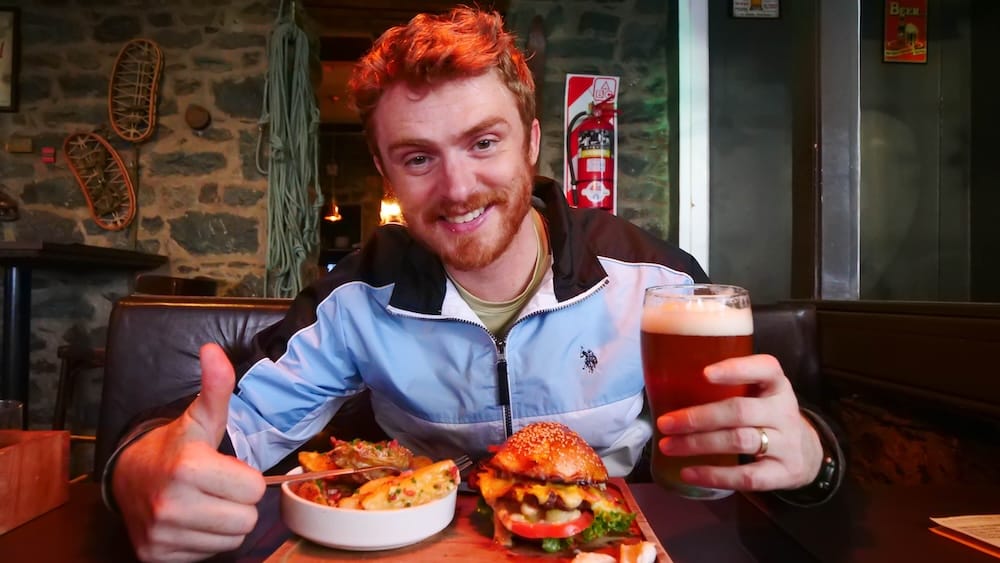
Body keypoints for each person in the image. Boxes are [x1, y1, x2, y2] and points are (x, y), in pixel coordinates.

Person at [108, 6, 843, 562]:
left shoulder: (654, 278)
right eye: (417, 157)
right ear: (385, 172)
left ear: (530, 143)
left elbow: (774, 431)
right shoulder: (356, 297)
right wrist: (136, 471)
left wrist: (810, 460)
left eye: (483, 142)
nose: (457, 188)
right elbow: (203, 436)